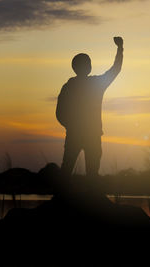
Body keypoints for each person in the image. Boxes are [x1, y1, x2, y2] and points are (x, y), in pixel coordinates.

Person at [56, 36, 124, 178]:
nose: (89, 65)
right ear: (87, 67)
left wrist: (71, 126)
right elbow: (115, 69)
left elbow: (59, 113)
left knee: (69, 170)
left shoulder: (69, 87)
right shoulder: (94, 84)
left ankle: (66, 196)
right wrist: (119, 48)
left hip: (81, 134)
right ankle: (73, 196)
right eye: (88, 63)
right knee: (87, 171)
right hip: (88, 134)